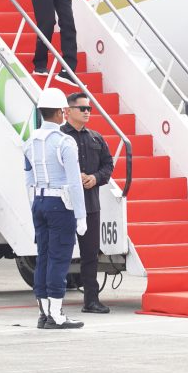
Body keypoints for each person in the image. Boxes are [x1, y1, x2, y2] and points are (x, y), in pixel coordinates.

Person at [25, 88, 87, 330]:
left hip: (39, 202)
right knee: (59, 258)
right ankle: (56, 315)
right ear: (61, 112)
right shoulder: (64, 142)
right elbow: (74, 182)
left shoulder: (30, 142)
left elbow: (28, 180)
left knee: (43, 257)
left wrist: (32, 206)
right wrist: (81, 216)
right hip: (60, 204)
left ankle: (43, 313)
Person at [61, 92, 115, 314]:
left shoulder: (96, 138)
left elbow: (108, 165)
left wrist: (95, 178)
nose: (86, 112)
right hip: (64, 205)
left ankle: (91, 300)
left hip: (90, 204)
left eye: (89, 109)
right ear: (68, 111)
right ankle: (52, 300)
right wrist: (73, 178)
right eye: (82, 108)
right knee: (59, 253)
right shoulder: (59, 137)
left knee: (90, 254)